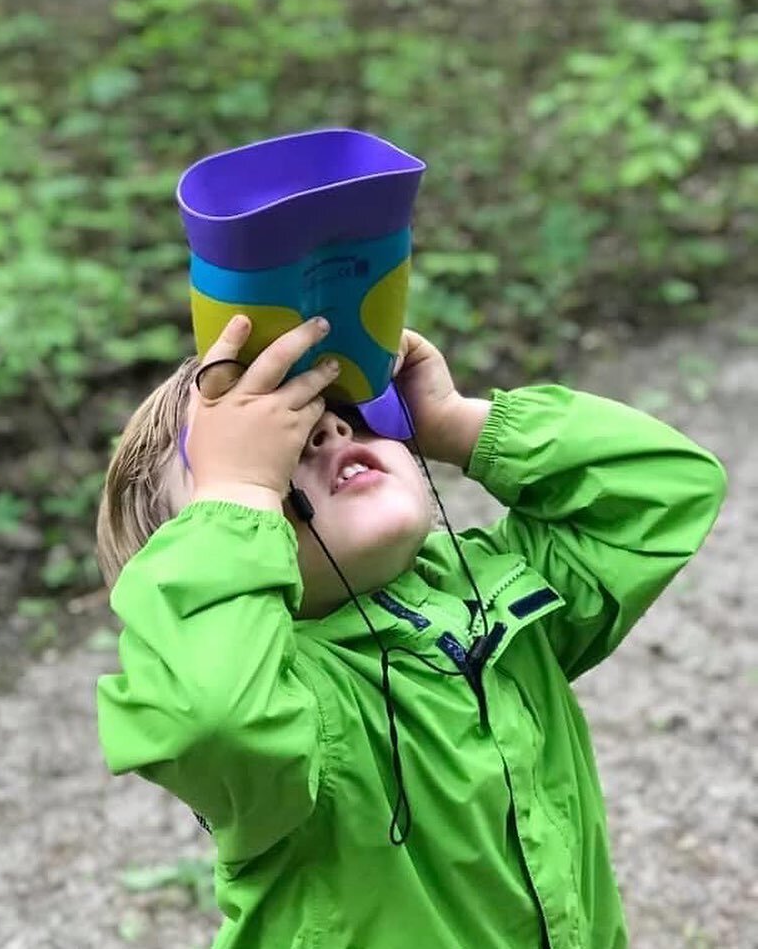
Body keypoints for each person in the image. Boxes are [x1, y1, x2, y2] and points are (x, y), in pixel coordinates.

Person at [96, 312, 726, 949]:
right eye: (275, 450)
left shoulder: (490, 592)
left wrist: (457, 424)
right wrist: (236, 489)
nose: (328, 428)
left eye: (342, 408)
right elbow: (215, 716)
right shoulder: (284, 706)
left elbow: (665, 490)